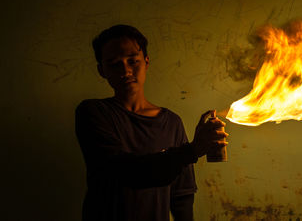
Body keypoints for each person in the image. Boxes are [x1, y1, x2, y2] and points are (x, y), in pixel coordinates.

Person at [75, 25, 228, 221]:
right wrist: (192, 150)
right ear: (101, 70)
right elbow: (125, 171)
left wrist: (192, 151)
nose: (126, 70)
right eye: (114, 64)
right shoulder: (93, 113)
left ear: (146, 62)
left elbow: (181, 194)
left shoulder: (171, 122)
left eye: (133, 61)